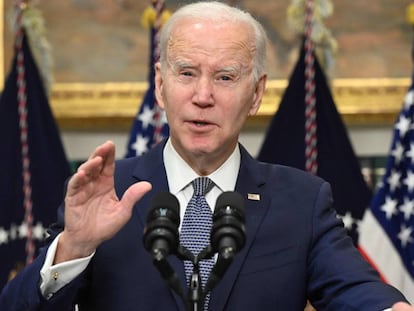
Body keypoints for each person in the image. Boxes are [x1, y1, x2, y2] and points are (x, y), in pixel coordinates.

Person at [0, 1, 413, 310]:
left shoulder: (302, 201)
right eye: (186, 73)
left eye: (225, 77)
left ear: (255, 93)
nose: (202, 97)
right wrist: (74, 247)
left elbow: (358, 290)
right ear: (160, 85)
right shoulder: (108, 192)